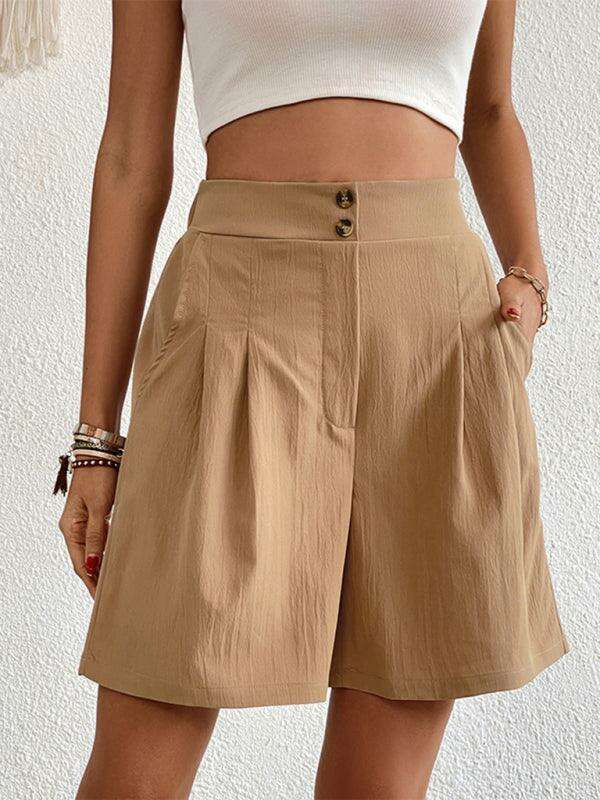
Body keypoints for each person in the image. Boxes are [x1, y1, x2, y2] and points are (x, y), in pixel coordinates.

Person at [56, 2, 569, 798]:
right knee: (139, 763)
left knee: (382, 784)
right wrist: (97, 439)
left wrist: (530, 274)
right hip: (237, 305)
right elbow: (129, 154)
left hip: (431, 327)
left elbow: (491, 109)